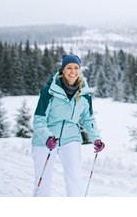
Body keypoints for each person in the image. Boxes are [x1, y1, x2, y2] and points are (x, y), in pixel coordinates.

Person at [31, 54, 105, 197]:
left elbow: (88, 118)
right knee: (43, 182)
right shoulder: (49, 91)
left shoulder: (84, 93)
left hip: (71, 137)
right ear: (63, 70)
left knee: (75, 180)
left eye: (76, 67)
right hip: (45, 140)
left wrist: (96, 138)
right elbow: (39, 120)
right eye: (69, 67)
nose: (73, 71)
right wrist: (47, 137)